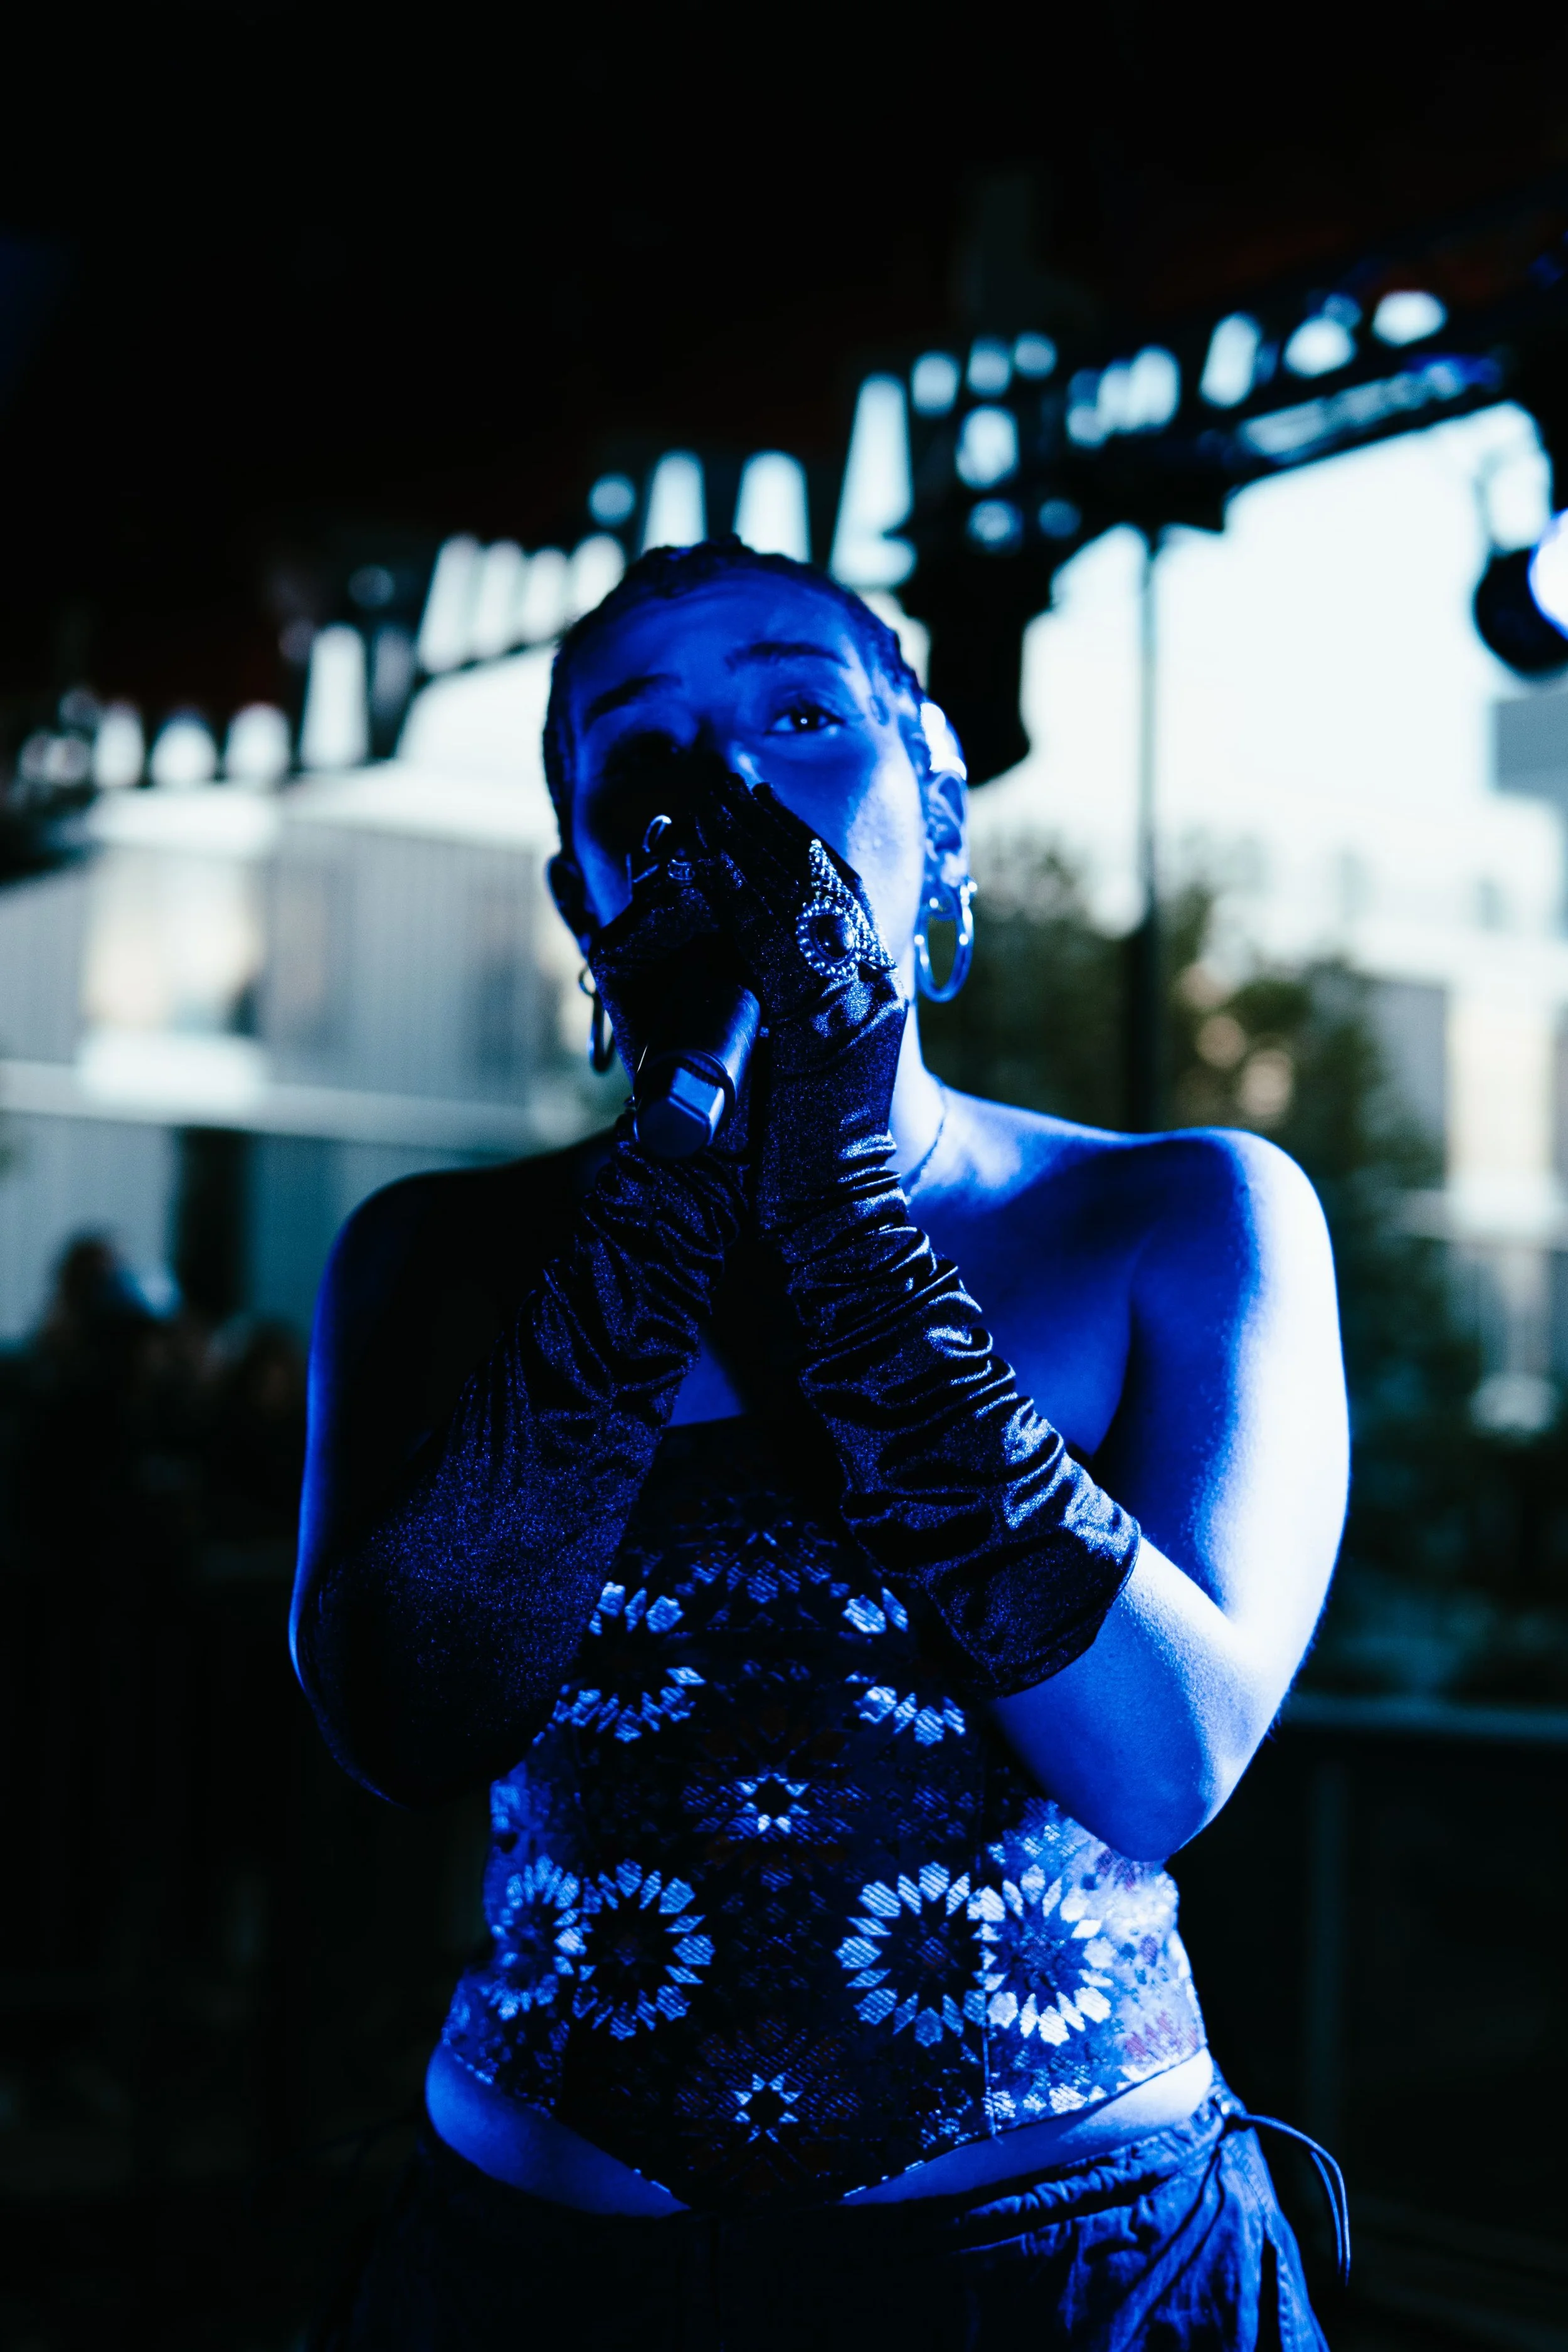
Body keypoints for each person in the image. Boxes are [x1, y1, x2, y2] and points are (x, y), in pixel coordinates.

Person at [293, 539, 1349, 2349]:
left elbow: (1165, 1758)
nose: (731, 793)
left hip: (1065, 2281)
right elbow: (405, 1719)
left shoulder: (1182, 1213)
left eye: (800, 713)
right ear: (582, 891)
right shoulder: (435, 1253)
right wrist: (686, 1171)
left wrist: (841, 1204)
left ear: (934, 813)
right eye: (648, 753)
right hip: (528, 2290)